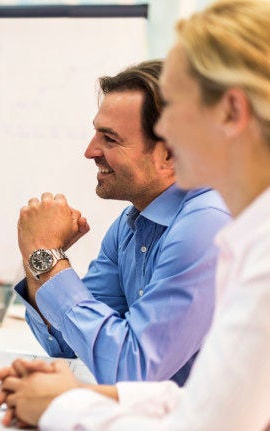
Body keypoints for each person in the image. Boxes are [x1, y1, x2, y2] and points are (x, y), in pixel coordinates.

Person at [0, 0, 270, 429]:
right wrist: (83, 393)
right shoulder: (236, 230)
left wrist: (61, 405)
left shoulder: (231, 232)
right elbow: (206, 399)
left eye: (173, 107)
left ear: (230, 112)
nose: (166, 130)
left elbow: (202, 420)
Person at [13, 60, 230, 385]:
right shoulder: (131, 224)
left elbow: (133, 366)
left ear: (169, 155)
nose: (90, 151)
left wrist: (46, 257)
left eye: (110, 139)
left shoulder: (207, 226)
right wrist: (39, 258)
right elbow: (66, 344)